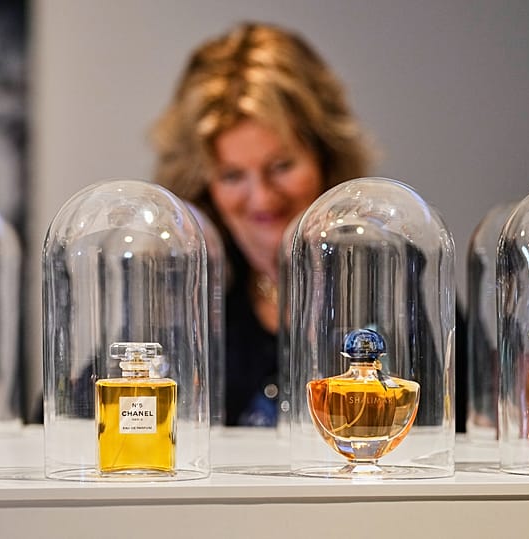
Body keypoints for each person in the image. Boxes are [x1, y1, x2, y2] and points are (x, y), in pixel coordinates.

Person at [151, 22, 376, 426]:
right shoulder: (176, 288)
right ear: (203, 184)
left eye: (282, 166)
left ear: (326, 157)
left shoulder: (390, 275)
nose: (263, 199)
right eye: (232, 175)